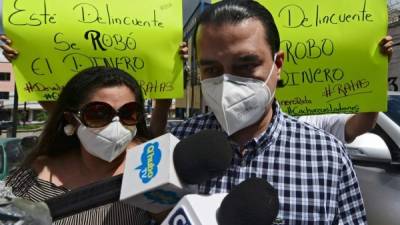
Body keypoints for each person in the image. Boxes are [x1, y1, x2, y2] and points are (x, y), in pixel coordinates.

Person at [155, 1, 367, 224]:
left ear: (278, 64)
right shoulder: (176, 143)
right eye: (212, 70)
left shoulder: (327, 157)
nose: (227, 84)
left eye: (245, 66)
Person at [6, 66, 152, 225]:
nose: (115, 126)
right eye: (98, 114)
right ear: (71, 119)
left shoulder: (153, 167)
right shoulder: (37, 174)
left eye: (128, 112)